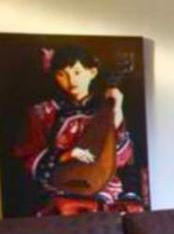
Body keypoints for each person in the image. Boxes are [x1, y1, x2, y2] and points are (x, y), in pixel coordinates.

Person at [12, 45, 141, 215]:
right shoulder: (43, 112)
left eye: (77, 72)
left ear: (92, 72)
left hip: (102, 184)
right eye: (62, 74)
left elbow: (123, 158)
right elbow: (28, 154)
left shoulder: (106, 108)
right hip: (58, 185)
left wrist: (116, 109)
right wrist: (65, 155)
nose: (71, 81)